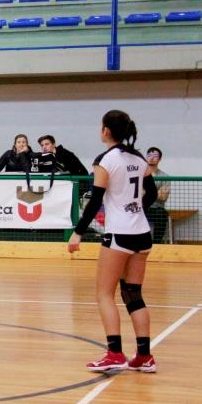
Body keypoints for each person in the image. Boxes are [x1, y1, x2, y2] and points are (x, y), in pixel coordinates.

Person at [67, 110, 158, 373]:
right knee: (133, 295)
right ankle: (144, 356)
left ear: (105, 130)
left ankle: (115, 353)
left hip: (119, 233)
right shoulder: (138, 158)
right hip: (142, 232)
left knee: (104, 294)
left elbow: (95, 199)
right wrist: (135, 209)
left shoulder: (105, 160)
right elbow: (150, 193)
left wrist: (78, 232)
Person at [145, 147, 170, 243]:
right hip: (141, 207)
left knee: (162, 214)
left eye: (155, 156)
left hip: (156, 209)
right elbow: (137, 194)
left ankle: (157, 243)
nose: (151, 158)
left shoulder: (164, 177)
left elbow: (163, 197)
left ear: (159, 159)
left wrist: (146, 192)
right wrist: (156, 193)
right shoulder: (139, 174)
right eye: (149, 155)